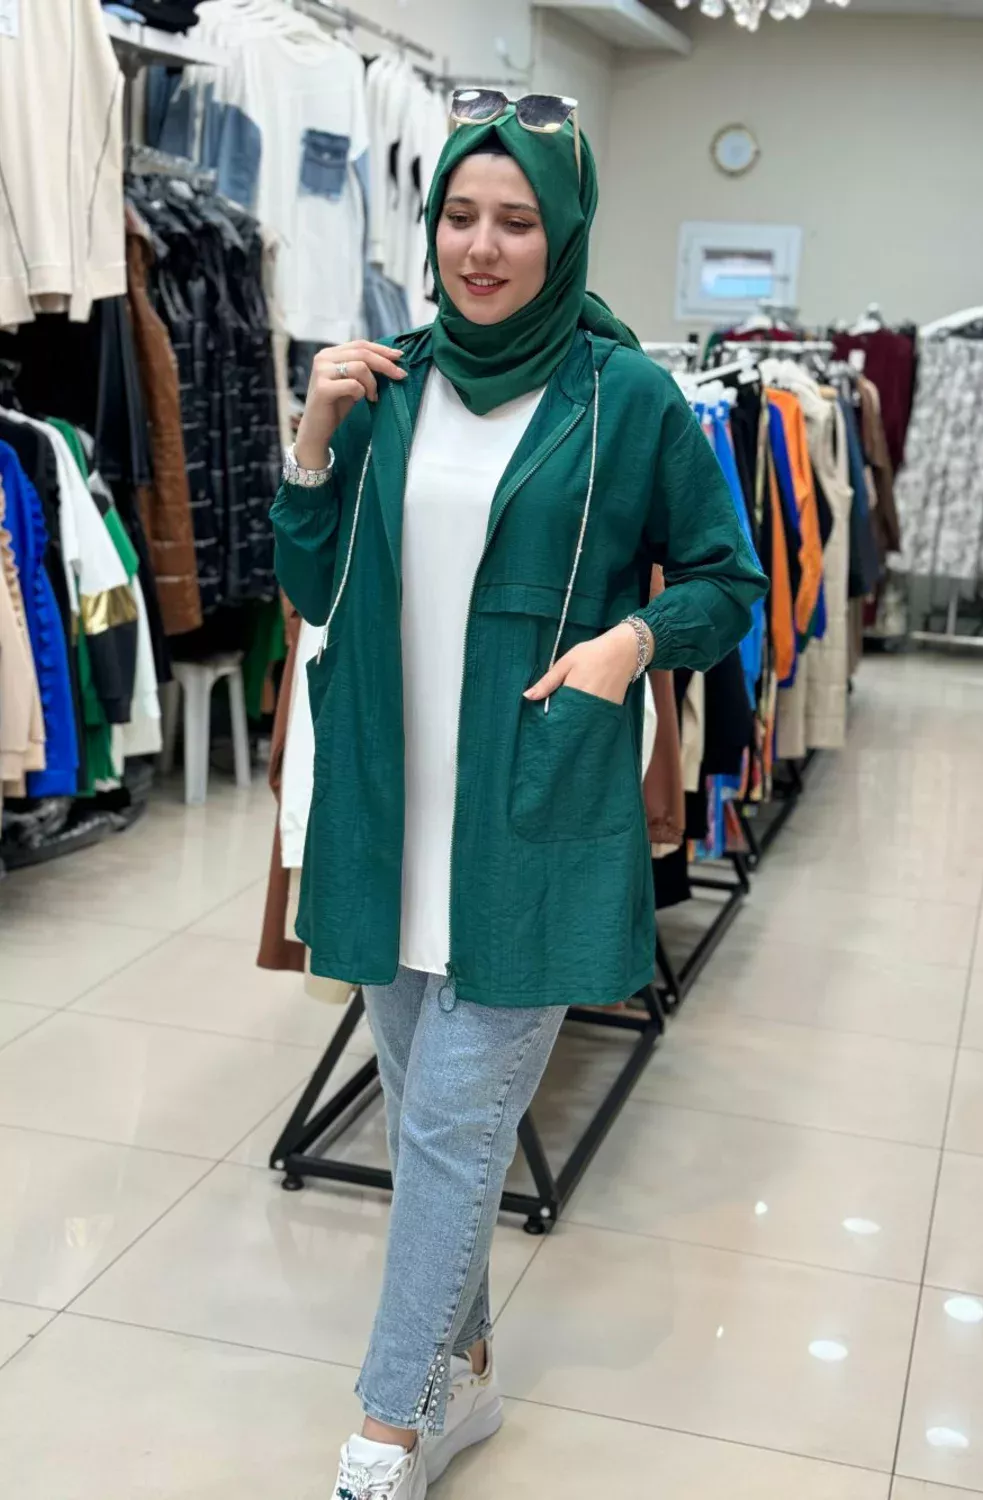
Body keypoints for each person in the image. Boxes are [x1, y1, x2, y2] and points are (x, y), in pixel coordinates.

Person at [271, 92, 767, 1500]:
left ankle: (388, 1425)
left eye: (517, 222)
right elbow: (311, 582)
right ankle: (468, 1377)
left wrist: (628, 644)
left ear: (567, 235)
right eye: (460, 217)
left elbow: (727, 581)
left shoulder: (629, 397)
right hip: (389, 811)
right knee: (431, 1115)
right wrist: (312, 437)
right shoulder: (390, 384)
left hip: (529, 810)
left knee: (447, 1131)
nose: (482, 248)